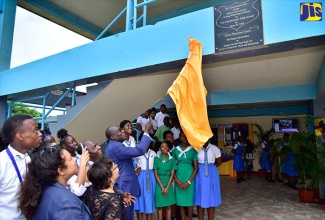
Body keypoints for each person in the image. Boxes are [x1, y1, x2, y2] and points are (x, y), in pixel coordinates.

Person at [19, 141, 91, 219]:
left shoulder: (44, 190)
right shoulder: (65, 203)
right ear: (61, 170)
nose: (74, 159)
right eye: (70, 159)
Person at [105, 120, 153, 220]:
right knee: (126, 215)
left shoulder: (116, 145)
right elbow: (139, 150)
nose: (123, 132)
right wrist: (146, 132)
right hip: (123, 187)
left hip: (124, 185)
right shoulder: (116, 146)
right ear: (113, 137)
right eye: (119, 131)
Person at [0, 114, 42, 220]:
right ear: (20, 135)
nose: (40, 134)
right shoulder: (2, 163)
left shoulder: (29, 159)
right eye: (35, 130)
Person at [57, 128, 91, 196]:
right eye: (72, 142)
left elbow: (87, 183)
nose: (75, 143)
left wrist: (86, 163)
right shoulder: (67, 175)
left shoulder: (82, 158)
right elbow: (78, 191)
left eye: (75, 140)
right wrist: (83, 164)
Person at [194, 140, 222, 220]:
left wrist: (211, 168)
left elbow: (219, 162)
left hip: (211, 173)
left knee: (211, 198)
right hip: (199, 173)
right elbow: (193, 162)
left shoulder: (214, 148)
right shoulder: (196, 148)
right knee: (200, 197)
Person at [173, 131, 198, 220]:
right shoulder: (175, 150)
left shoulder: (193, 150)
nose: (184, 138)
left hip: (189, 175)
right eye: (182, 136)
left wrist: (189, 182)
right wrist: (176, 180)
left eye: (186, 136)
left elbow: (196, 168)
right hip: (178, 175)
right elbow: (172, 167)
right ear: (179, 137)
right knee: (180, 202)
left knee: (189, 201)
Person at [154, 141, 177, 220]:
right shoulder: (156, 159)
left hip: (169, 184)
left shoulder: (172, 159)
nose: (165, 148)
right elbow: (156, 174)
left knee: (168, 207)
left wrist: (167, 187)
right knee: (160, 207)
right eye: (163, 146)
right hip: (159, 184)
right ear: (160, 149)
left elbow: (172, 175)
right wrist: (162, 187)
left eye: (166, 146)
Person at [133, 147, 157, 220]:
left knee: (149, 199)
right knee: (140, 199)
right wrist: (136, 168)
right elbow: (133, 163)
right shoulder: (137, 152)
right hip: (140, 176)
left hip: (151, 176)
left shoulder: (153, 153)